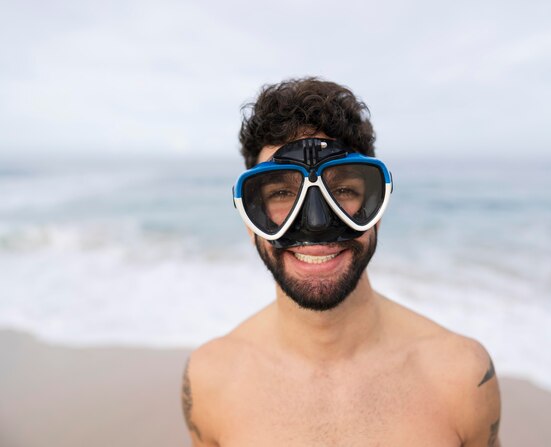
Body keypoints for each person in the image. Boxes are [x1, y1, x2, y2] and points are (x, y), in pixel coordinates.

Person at [181, 78, 501, 447]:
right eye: (282, 192)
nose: (316, 223)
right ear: (250, 220)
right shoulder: (210, 380)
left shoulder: (462, 376)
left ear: (377, 209)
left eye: (345, 189)